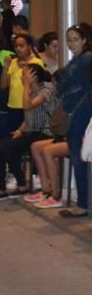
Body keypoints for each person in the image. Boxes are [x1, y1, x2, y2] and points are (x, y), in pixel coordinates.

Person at [0, 60, 55, 200]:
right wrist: (19, 130)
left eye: (24, 74)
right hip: (32, 132)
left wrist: (26, 86)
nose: (21, 77)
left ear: (33, 76)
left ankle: (9, 187)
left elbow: (27, 107)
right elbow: (28, 118)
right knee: (0, 147)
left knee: (5, 148)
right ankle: (16, 185)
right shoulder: (30, 91)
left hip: (45, 133)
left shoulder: (47, 89)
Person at [53, 23, 92, 218]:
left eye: (75, 39)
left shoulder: (85, 60)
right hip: (77, 113)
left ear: (85, 40)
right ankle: (84, 202)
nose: (71, 43)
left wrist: (62, 81)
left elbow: (65, 83)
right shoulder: (78, 59)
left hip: (80, 114)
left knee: (79, 158)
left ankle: (84, 203)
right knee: (78, 157)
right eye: (69, 40)